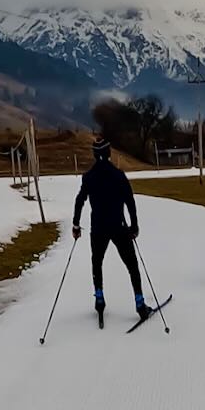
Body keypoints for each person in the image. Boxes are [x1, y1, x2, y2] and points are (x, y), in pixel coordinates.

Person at [72, 138, 150, 321]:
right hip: (119, 226)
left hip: (98, 228)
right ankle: (140, 304)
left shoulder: (89, 177)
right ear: (109, 153)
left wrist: (76, 225)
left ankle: (99, 299)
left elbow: (80, 200)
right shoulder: (118, 175)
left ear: (94, 154)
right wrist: (134, 225)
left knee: (97, 262)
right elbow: (130, 202)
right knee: (132, 266)